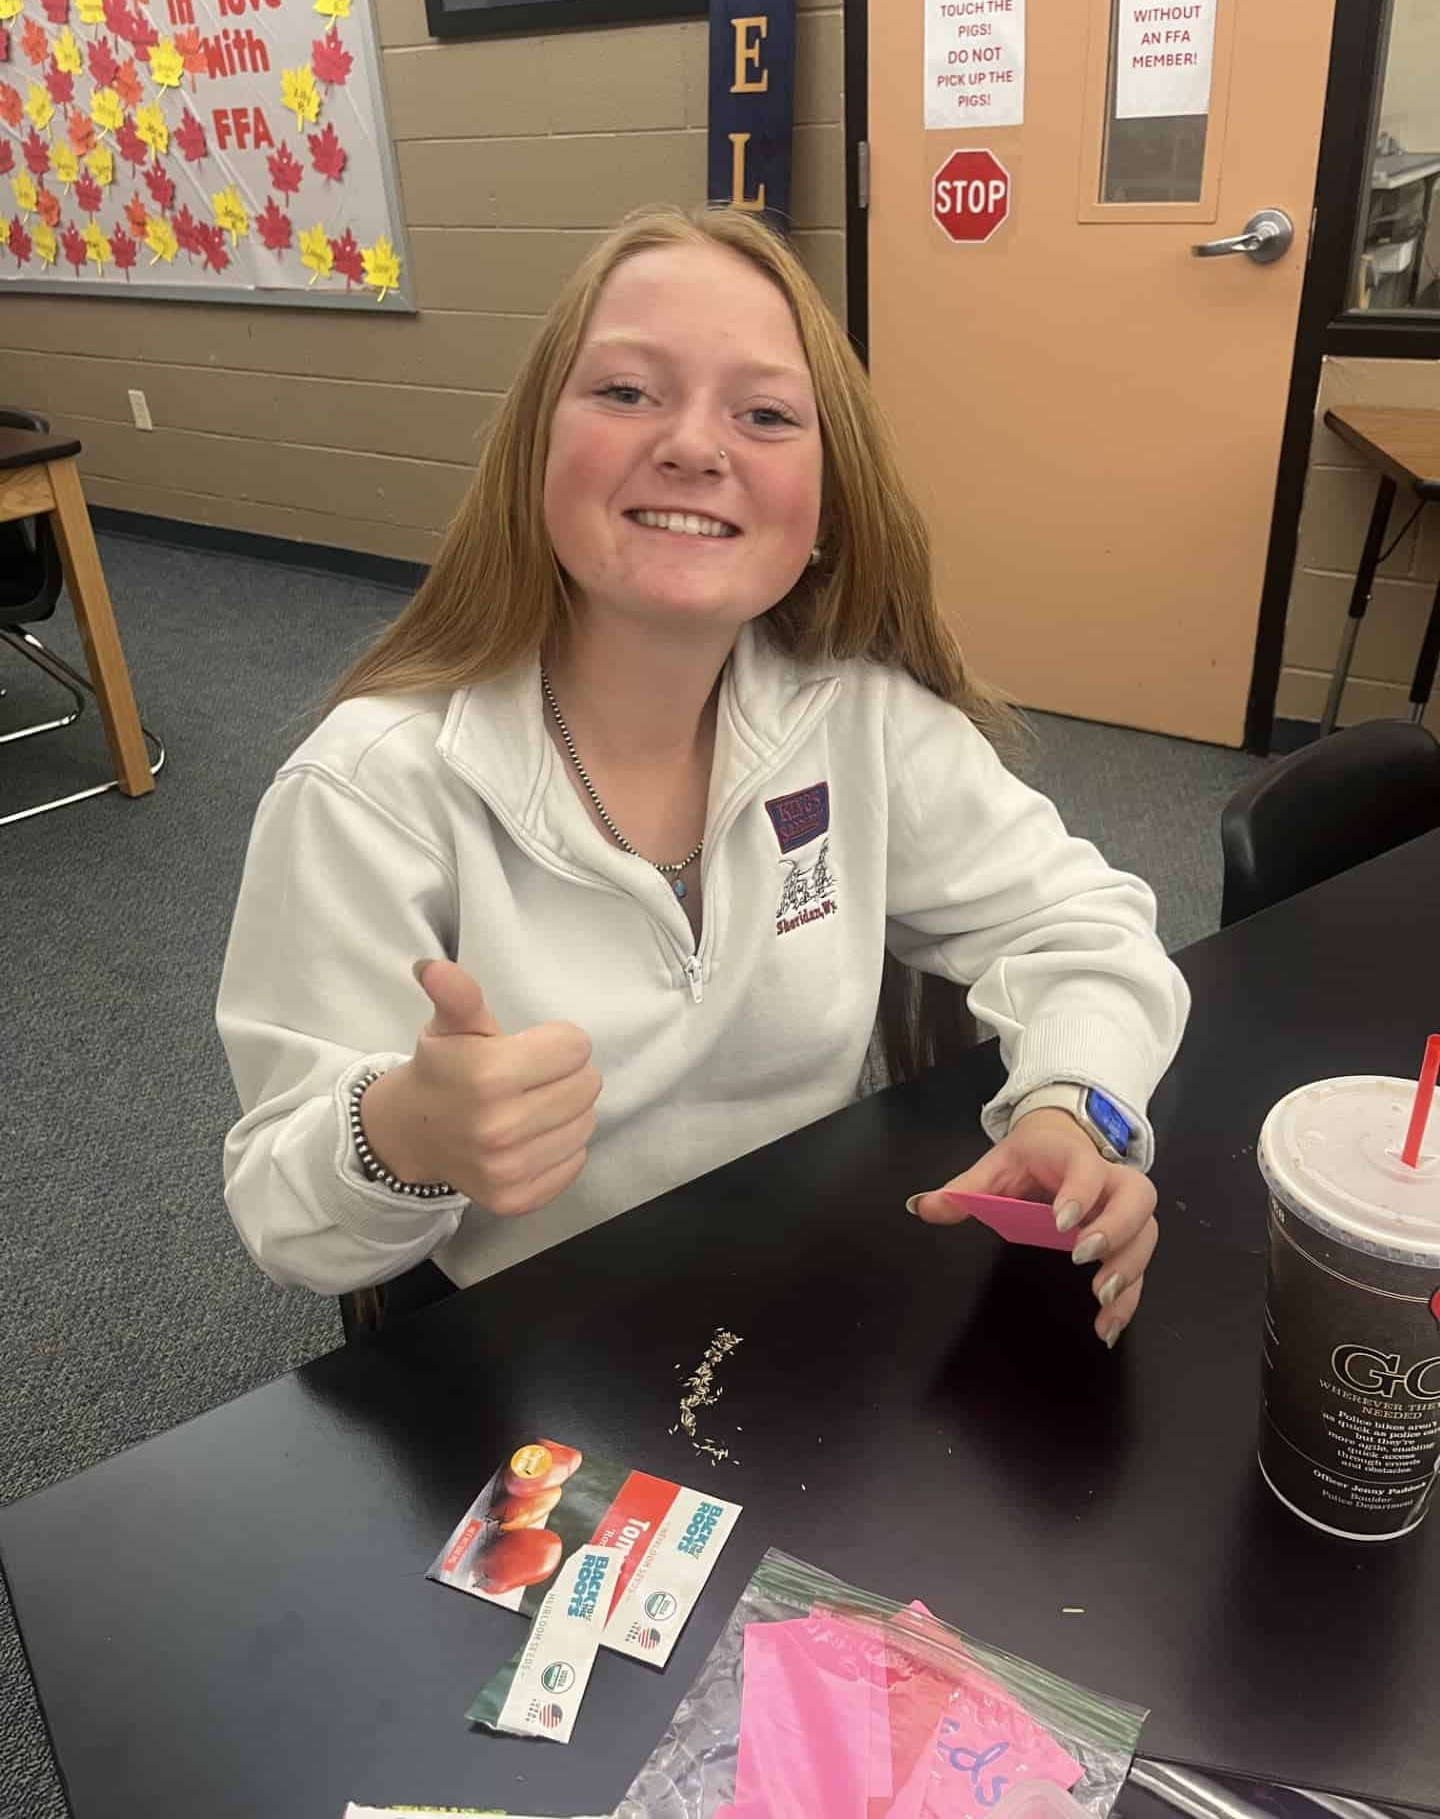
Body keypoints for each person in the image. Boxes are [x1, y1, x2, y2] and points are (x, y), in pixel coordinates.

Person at [217, 204, 1189, 1352]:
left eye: (766, 413)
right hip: (522, 1358)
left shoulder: (860, 719)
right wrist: (403, 1137)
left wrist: (1079, 1106)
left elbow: (1083, 928)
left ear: (825, 505)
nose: (692, 445)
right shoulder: (371, 789)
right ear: (538, 445)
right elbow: (287, 1216)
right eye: (627, 392)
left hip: (795, 1322)